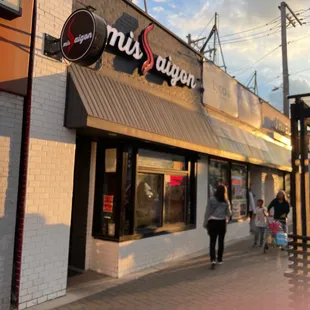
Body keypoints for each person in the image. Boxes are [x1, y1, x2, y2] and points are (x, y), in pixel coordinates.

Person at [203, 184, 232, 269]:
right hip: (222, 222)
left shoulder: (211, 200)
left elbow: (207, 212)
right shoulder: (226, 201)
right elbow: (229, 213)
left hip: (212, 222)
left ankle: (212, 259)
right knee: (221, 241)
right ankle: (220, 259)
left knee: (212, 241)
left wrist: (205, 223)